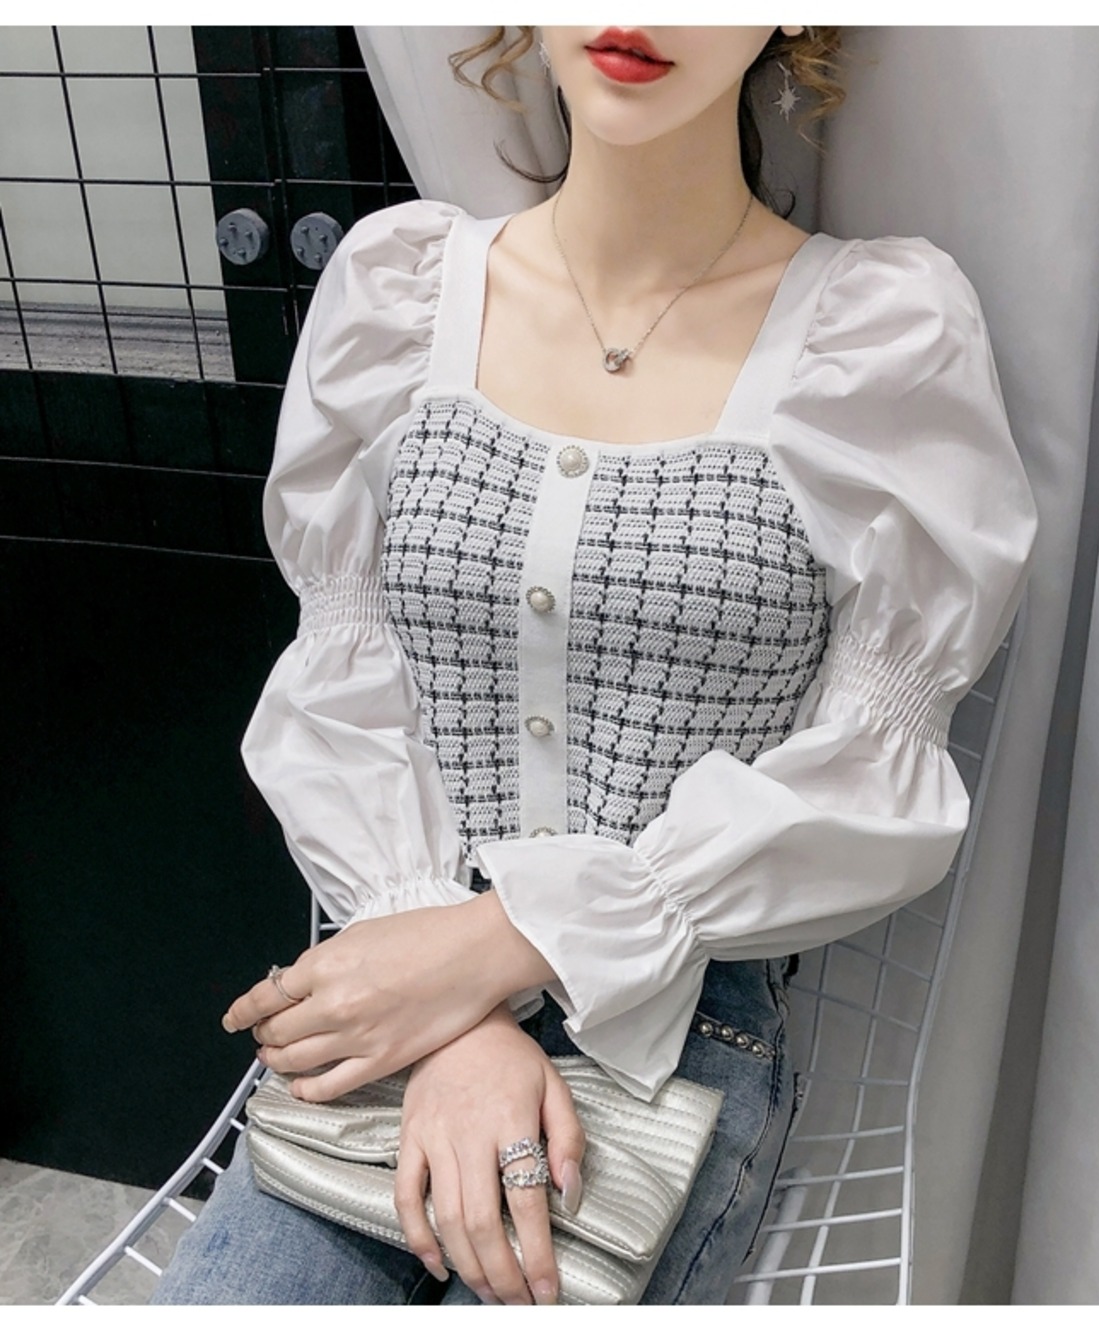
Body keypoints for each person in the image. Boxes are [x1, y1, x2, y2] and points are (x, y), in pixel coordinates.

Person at [152, 24, 1038, 1306]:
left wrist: (506, 941)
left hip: (676, 1020)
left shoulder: (878, 336)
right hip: (394, 959)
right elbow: (341, 679)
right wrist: (453, 1007)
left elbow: (871, 765)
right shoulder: (400, 293)